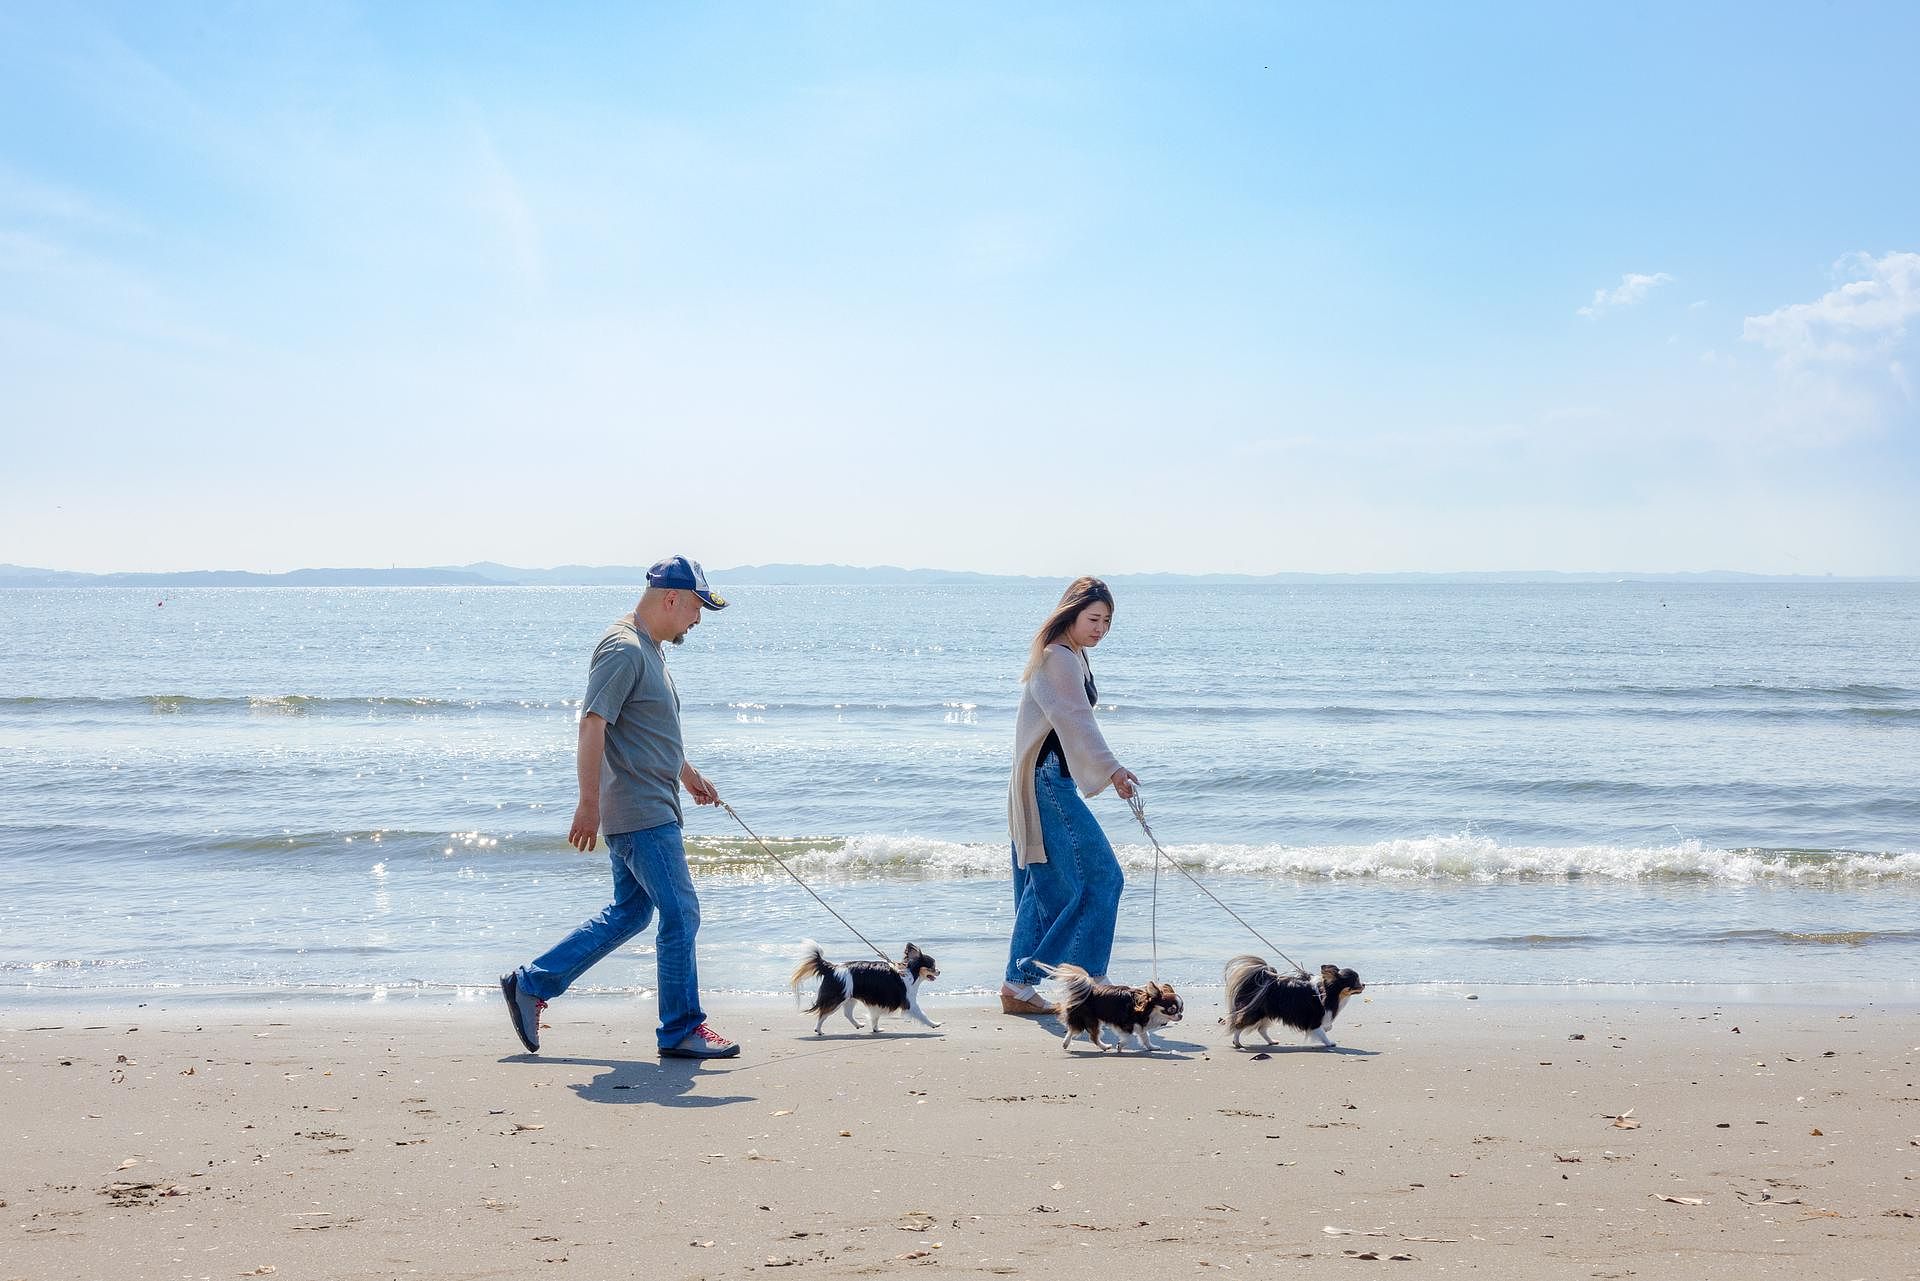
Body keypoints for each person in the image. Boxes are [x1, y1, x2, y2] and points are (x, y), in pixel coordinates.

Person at [500, 556, 740, 1059]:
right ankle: (680, 1029)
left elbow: (646, 731)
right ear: (671, 598)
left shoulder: (650, 649)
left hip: (652, 804)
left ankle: (532, 984)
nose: (698, 620)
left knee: (632, 913)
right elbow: (593, 723)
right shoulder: (624, 649)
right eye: (697, 608)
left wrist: (688, 774)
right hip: (641, 813)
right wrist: (588, 804)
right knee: (681, 914)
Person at [1000, 576, 1139, 1015]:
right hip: (1047, 782)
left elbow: (1072, 721)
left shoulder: (1070, 655)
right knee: (1103, 877)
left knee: (1044, 886)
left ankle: (1017, 985)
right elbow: (1075, 719)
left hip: (1046, 780)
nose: (1101, 628)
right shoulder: (1057, 658)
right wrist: (1111, 769)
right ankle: (1091, 978)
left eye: (1107, 621)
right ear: (1071, 614)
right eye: (1093, 618)